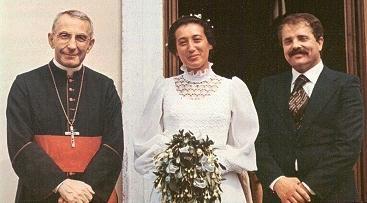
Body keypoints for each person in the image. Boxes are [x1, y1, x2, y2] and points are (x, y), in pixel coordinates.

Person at [133, 15, 259, 203]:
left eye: (197, 39)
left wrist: (209, 164)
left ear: (209, 43)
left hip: (222, 188)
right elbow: (144, 141)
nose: (191, 48)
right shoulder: (164, 88)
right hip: (174, 188)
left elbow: (245, 144)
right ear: (175, 50)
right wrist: (174, 163)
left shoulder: (232, 88)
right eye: (182, 42)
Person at [7, 10, 123, 203]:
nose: (72, 45)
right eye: (64, 36)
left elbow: (114, 146)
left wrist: (82, 193)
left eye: (81, 38)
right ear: (51, 39)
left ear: (90, 44)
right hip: (40, 193)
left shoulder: (105, 87)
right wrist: (60, 184)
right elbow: (20, 146)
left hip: (91, 196)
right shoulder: (25, 84)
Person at [255, 13, 363, 203]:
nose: (295, 45)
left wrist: (305, 189)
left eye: (303, 38)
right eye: (288, 41)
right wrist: (278, 181)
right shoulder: (268, 87)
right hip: (280, 196)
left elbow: (347, 145)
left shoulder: (345, 85)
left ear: (320, 42)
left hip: (332, 195)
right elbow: (258, 141)